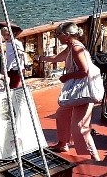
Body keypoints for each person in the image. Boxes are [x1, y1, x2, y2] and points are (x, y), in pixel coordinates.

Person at [40, 22, 102, 160]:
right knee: (62, 114)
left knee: (80, 126)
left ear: (67, 35)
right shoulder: (71, 47)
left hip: (83, 91)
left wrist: (65, 77)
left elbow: (84, 71)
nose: (57, 37)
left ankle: (94, 156)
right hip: (77, 90)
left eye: (58, 34)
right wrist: (41, 58)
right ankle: (63, 143)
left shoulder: (75, 49)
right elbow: (57, 58)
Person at [0, 22, 28, 89]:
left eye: (8, 35)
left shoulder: (16, 43)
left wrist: (26, 64)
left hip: (17, 67)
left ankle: (18, 94)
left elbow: (23, 53)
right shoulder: (7, 42)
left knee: (15, 84)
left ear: (13, 34)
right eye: (4, 35)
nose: (6, 37)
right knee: (10, 83)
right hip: (10, 66)